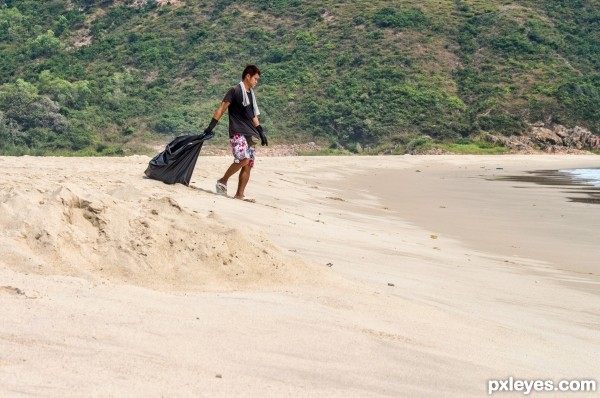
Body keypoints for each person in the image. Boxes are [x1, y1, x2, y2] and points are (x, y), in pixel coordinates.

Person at [203, 65, 268, 202]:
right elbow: (222, 108)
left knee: (248, 164)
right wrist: (211, 127)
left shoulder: (251, 95)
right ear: (248, 76)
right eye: (255, 79)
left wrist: (261, 132)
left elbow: (253, 115)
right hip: (237, 131)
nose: (256, 82)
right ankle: (222, 181)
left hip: (251, 133)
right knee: (243, 158)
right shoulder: (234, 91)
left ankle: (240, 194)